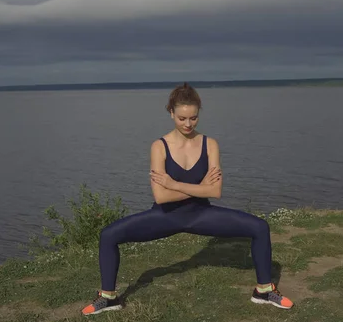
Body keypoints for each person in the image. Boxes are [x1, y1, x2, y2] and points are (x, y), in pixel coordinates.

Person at [81, 83, 293, 316]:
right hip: (165, 216)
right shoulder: (159, 147)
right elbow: (161, 196)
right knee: (108, 235)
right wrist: (201, 187)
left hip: (201, 215)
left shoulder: (209, 144)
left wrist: (176, 184)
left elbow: (216, 191)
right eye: (182, 118)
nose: (188, 124)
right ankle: (109, 297)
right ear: (171, 112)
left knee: (260, 227)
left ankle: (263, 291)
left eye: (193, 118)